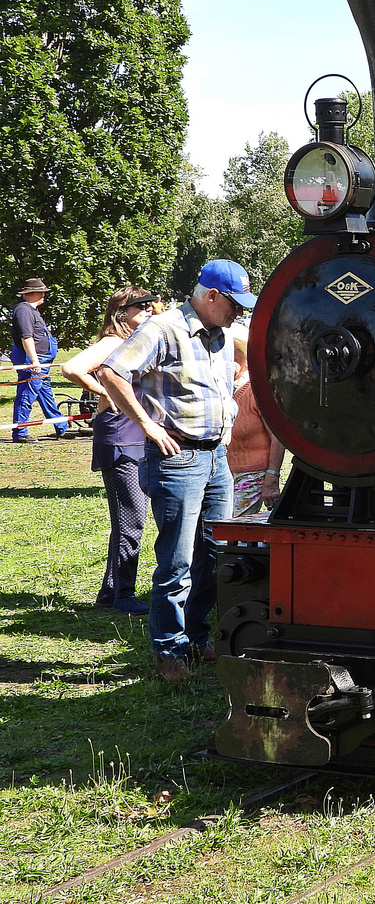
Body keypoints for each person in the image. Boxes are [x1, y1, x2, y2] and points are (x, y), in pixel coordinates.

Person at [96, 260, 256, 681]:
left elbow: (223, 384)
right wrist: (147, 424)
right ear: (210, 296)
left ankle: (199, 639)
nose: (238, 312)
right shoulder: (162, 328)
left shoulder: (220, 335)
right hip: (177, 459)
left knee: (216, 553)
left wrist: (224, 426)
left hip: (214, 458)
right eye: (233, 304)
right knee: (178, 561)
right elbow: (111, 372)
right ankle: (168, 651)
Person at [60, 287, 159, 614]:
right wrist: (107, 391)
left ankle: (111, 590)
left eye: (149, 305)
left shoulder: (136, 342)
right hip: (119, 439)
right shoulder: (113, 343)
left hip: (134, 438)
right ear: (121, 313)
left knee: (129, 518)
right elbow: (71, 368)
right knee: (132, 518)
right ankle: (123, 595)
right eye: (141, 307)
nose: (148, 310)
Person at [228, 334, 284, 516]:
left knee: (230, 524)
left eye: (231, 355)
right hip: (223, 473)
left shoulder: (255, 390)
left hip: (253, 475)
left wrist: (272, 476)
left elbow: (278, 436)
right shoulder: (220, 389)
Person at [10, 277, 68, 442]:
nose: (44, 295)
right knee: (27, 393)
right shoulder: (23, 310)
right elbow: (26, 337)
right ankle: (20, 433)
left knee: (45, 393)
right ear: (33, 293)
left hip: (42, 359)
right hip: (33, 359)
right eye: (42, 292)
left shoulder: (31, 310)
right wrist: (34, 361)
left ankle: (61, 427)